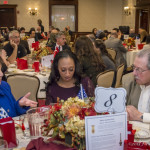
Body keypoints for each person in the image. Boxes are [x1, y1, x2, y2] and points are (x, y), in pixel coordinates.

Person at [122, 48, 150, 123]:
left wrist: (140, 116)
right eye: (134, 67)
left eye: (139, 69)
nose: (134, 73)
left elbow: (138, 115)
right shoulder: (129, 81)